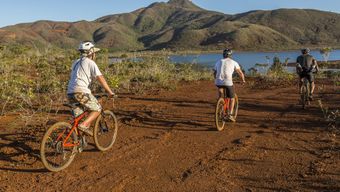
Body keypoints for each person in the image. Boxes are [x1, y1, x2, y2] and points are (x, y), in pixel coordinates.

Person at [67, 41, 114, 135]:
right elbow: (100, 78)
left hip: (70, 93)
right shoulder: (90, 62)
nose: (95, 54)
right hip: (80, 92)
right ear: (91, 52)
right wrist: (110, 92)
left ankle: (77, 145)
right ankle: (84, 125)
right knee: (97, 109)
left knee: (78, 119)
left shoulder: (75, 62)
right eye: (94, 52)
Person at [213, 48, 245, 122]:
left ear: (223, 55)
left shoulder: (218, 61)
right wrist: (243, 80)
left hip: (218, 82)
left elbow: (214, 73)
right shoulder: (234, 62)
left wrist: (216, 78)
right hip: (228, 82)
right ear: (230, 55)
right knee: (232, 98)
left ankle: (220, 104)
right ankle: (230, 115)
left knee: (221, 93)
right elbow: (240, 73)